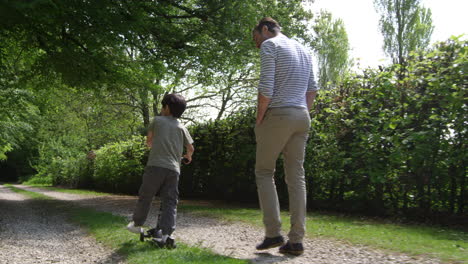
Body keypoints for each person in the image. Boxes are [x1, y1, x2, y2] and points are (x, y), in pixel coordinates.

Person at [252, 17, 319, 256]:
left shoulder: (271, 45)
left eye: (256, 38)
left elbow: (266, 87)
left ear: (266, 29)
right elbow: (312, 88)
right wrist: (302, 114)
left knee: (264, 172)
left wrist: (260, 118)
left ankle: (273, 233)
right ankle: (296, 241)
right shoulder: (303, 49)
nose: (257, 44)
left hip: (278, 114)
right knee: (296, 177)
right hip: (302, 116)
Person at [127, 93, 194, 248]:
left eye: (162, 106)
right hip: (174, 170)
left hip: (155, 166)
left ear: (167, 108)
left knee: (146, 196)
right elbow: (190, 148)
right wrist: (187, 157)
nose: (161, 109)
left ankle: (137, 224)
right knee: (170, 202)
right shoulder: (182, 127)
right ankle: (166, 234)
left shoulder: (157, 121)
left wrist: (154, 145)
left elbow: (149, 142)